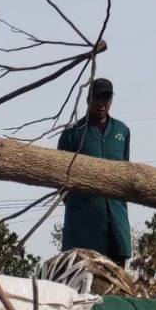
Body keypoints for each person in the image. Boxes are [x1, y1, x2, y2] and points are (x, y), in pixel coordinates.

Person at [57, 78, 132, 265]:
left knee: (117, 291)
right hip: (83, 233)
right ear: (88, 99)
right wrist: (83, 204)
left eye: (106, 98)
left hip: (116, 229)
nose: (102, 103)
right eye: (98, 98)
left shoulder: (122, 132)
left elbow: (126, 177)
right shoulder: (72, 134)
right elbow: (60, 183)